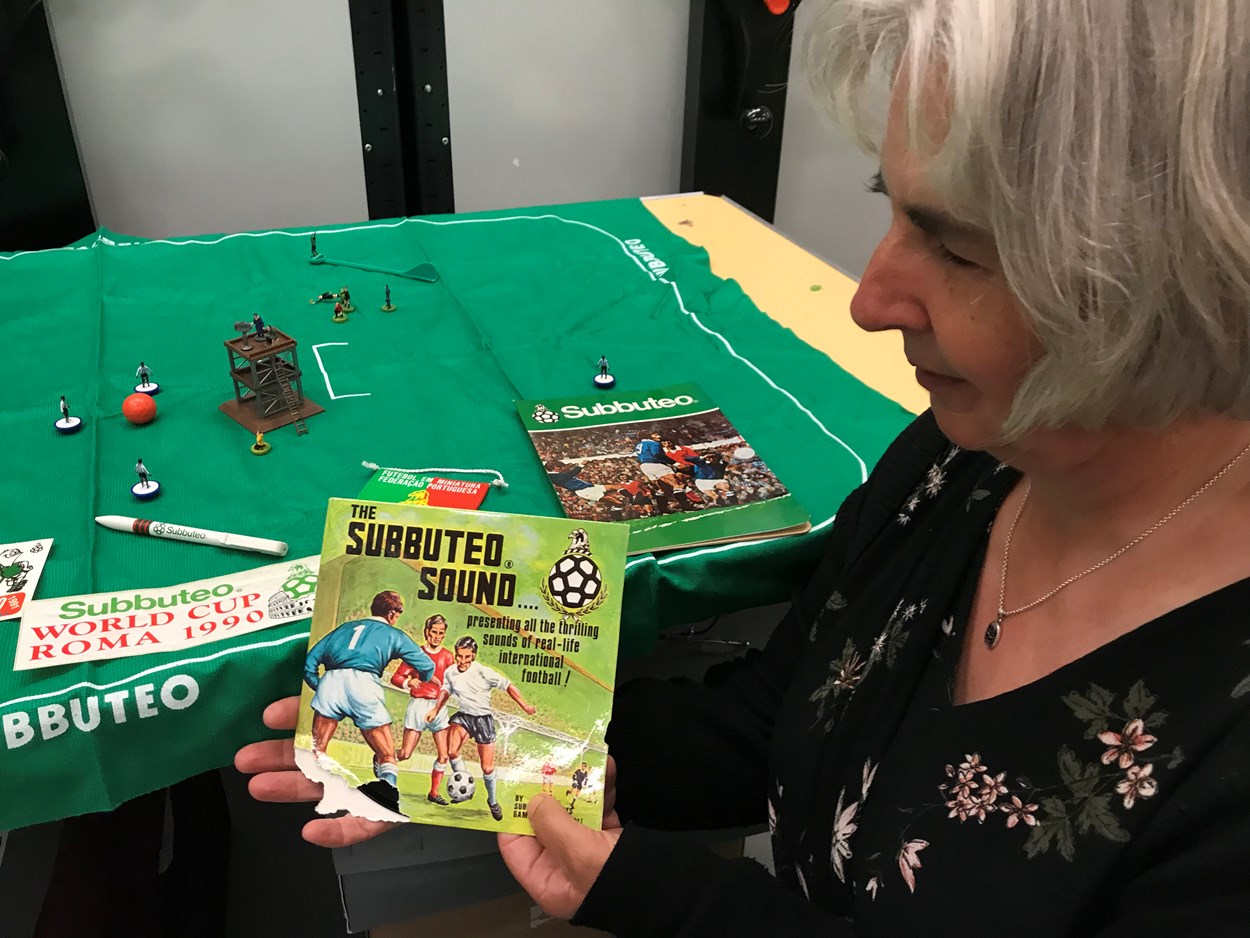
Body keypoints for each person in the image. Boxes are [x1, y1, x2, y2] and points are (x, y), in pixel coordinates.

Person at [236, 1, 1250, 932]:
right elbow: (782, 709)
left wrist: (650, 891)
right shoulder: (969, 458)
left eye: (958, 249)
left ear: (1179, 265)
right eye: (889, 208)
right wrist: (499, 747)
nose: (872, 295)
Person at [302, 590, 434, 816]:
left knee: (318, 750)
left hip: (331, 683)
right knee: (387, 755)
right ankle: (386, 800)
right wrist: (419, 679)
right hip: (364, 684)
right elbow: (427, 666)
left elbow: (310, 662)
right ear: (392, 613)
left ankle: (311, 800)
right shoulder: (393, 634)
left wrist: (320, 686)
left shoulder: (343, 629)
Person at [426, 635, 536, 822]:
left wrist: (524, 705)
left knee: (487, 767)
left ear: (473, 656)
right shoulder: (451, 672)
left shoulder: (484, 672)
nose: (462, 661)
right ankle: (464, 785)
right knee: (452, 751)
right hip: (464, 717)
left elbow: (508, 686)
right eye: (459, 656)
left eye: (467, 657)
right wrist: (436, 709)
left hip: (483, 720)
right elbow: (445, 691)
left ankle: (492, 802)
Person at [389, 613, 455, 805]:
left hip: (439, 706)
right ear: (427, 632)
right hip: (419, 706)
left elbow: (451, 683)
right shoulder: (416, 653)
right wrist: (410, 681)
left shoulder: (448, 657)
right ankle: (383, 758)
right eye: (434, 632)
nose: (436, 636)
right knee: (406, 754)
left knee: (444, 755)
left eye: (440, 633)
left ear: (444, 635)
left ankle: (433, 793)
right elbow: (396, 678)